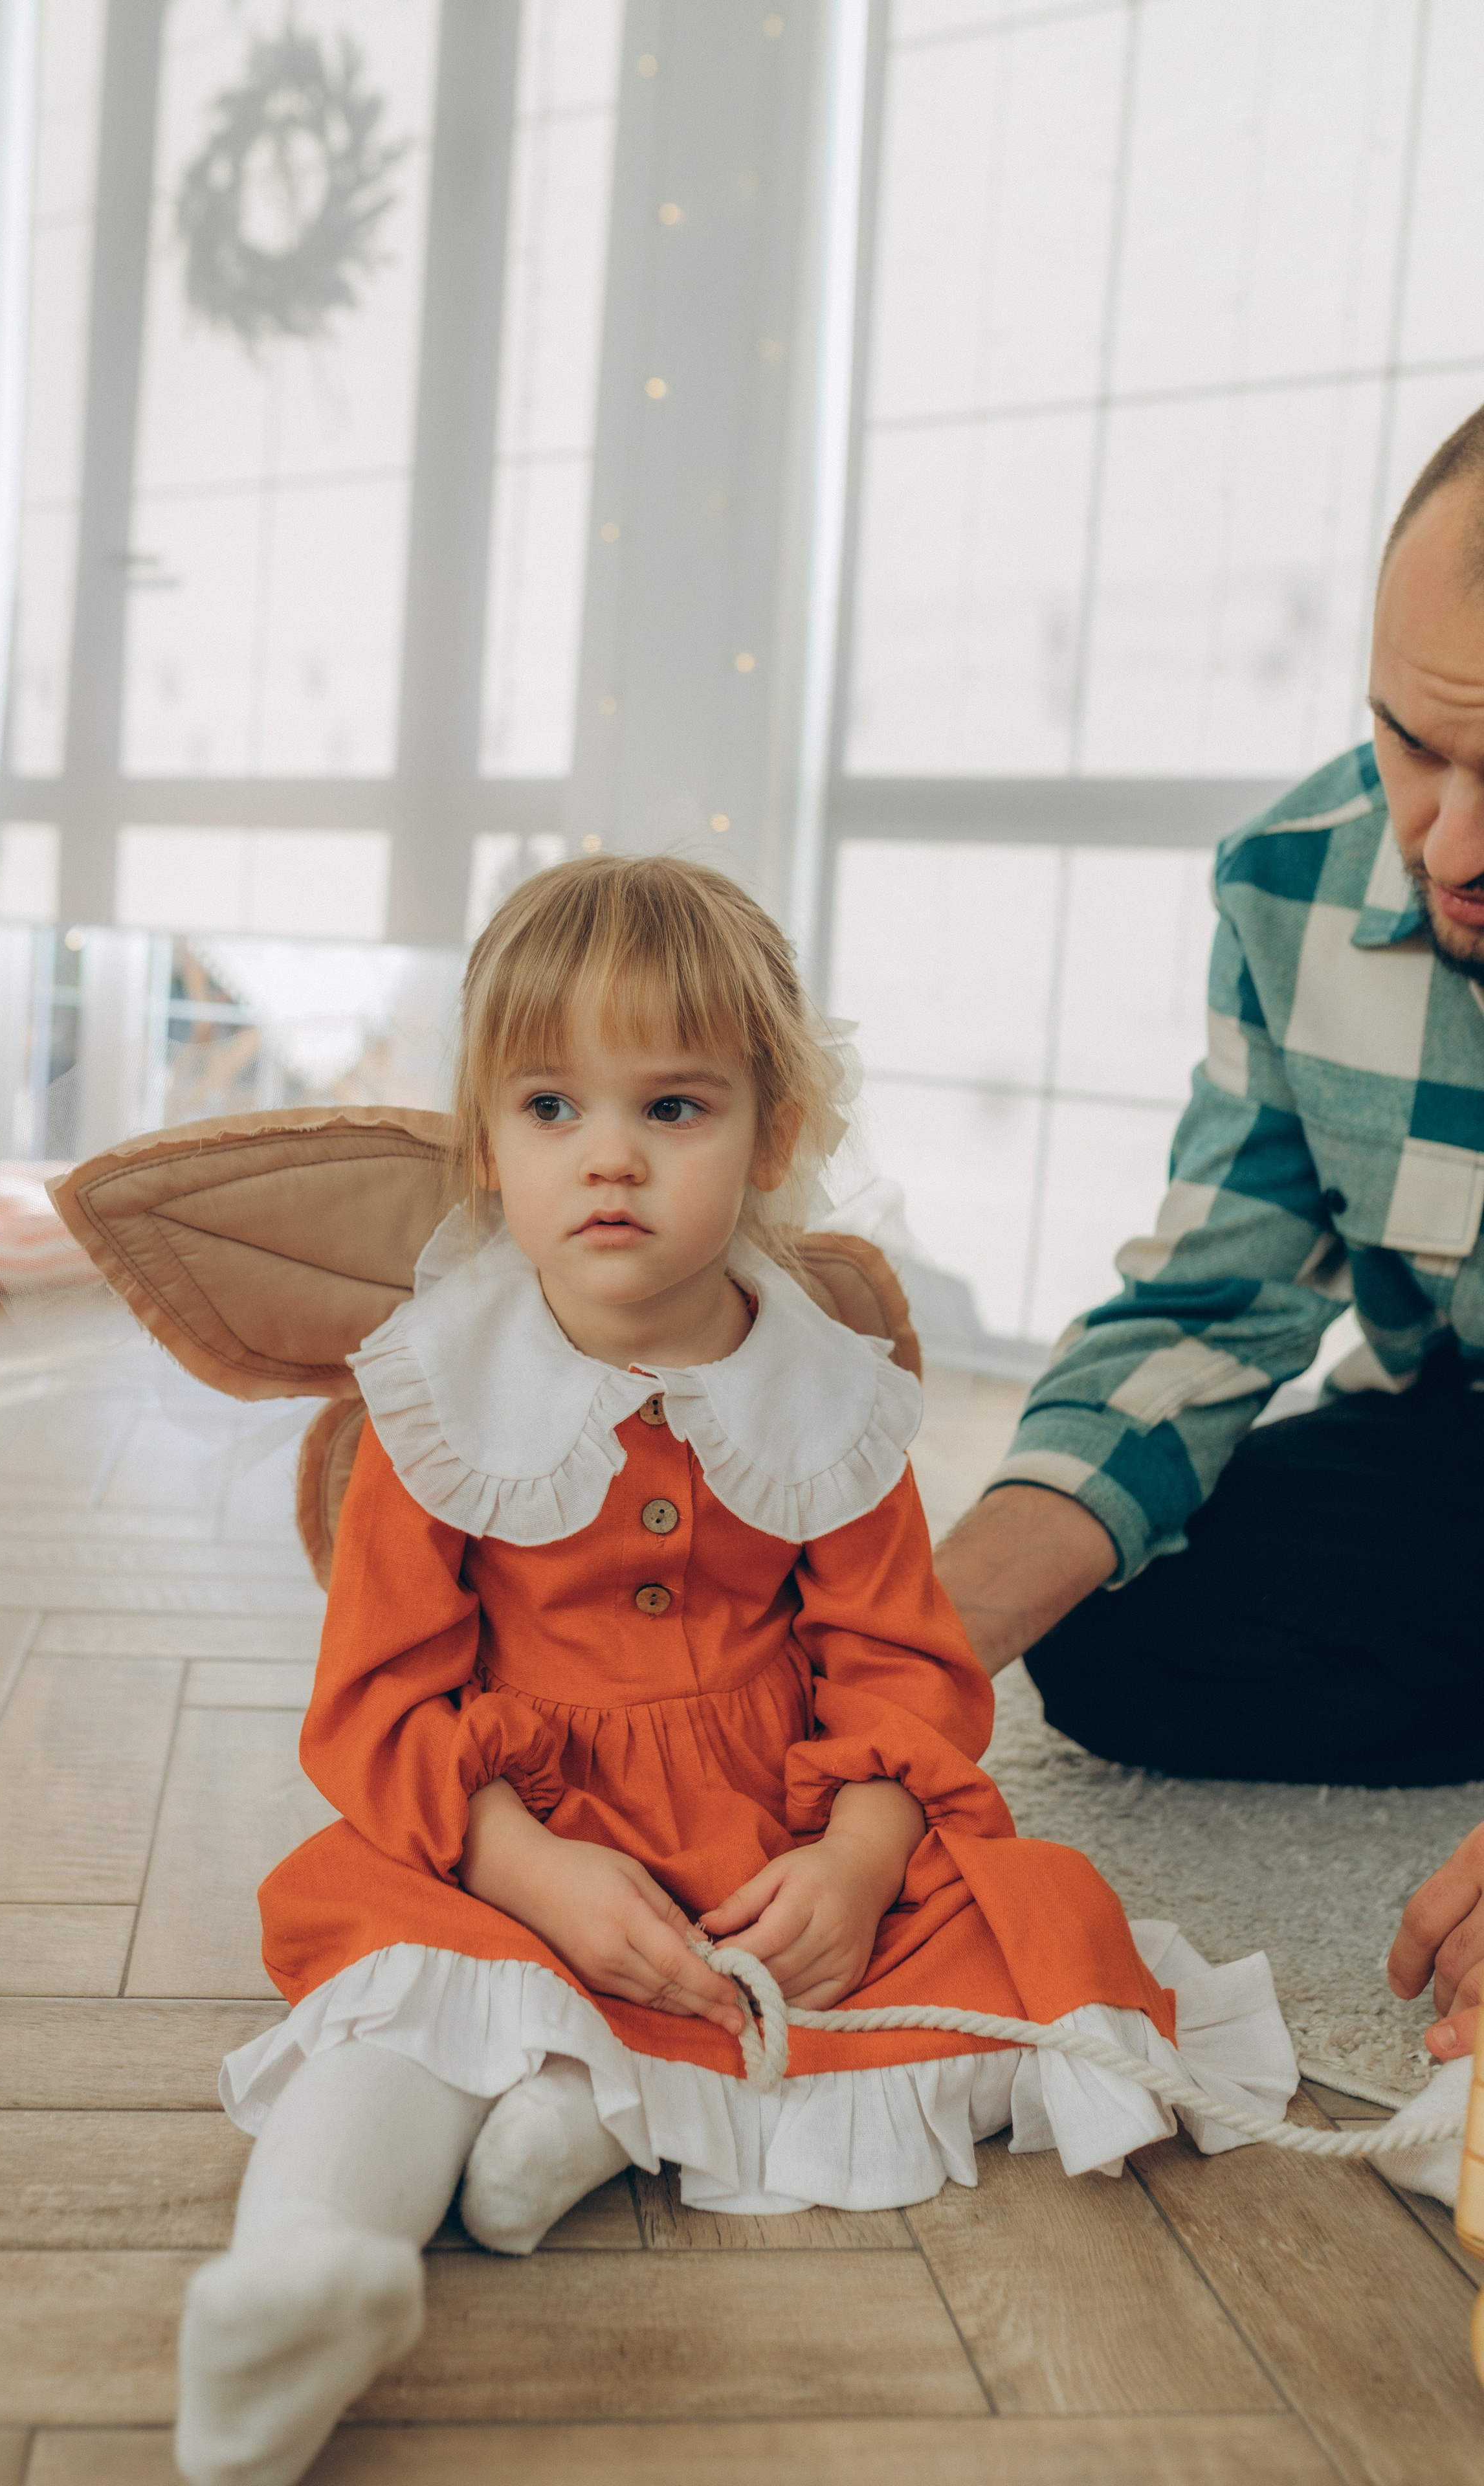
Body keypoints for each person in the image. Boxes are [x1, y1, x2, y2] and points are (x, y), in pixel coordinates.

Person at [174, 855, 1289, 2486]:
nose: (607, 1156)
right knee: (398, 2002)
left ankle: (580, 2118)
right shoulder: (438, 1396)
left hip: (774, 1846)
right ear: (486, 1140)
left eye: (673, 1109)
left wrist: (857, 1855)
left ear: (771, 1137)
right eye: (549, 1105)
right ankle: (307, 2269)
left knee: (1047, 1921)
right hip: (516, 1845)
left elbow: (902, 1672)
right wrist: (531, 1869)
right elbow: (374, 1709)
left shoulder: (824, 1400)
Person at [935, 405, 1484, 2076]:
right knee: (1109, 1624)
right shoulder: (1294, 885)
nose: (1449, 845)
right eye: (1410, 745)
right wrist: (901, 1648)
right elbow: (1205, 1306)